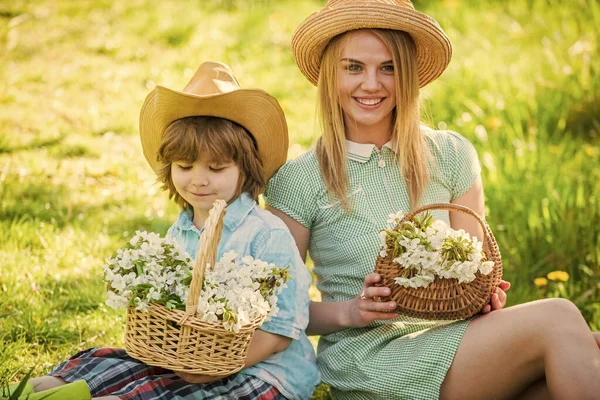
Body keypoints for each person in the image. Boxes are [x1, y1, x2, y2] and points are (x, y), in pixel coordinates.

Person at [264, 1, 600, 399]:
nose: (371, 84)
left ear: (407, 75)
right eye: (353, 67)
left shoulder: (452, 155)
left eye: (388, 68)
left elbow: (477, 270)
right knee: (559, 318)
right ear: (329, 75)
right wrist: (349, 311)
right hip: (372, 358)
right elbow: (276, 311)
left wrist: (482, 295)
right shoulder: (300, 179)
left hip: (458, 339)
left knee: (582, 350)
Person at [19, 61, 319, 400]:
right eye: (185, 166)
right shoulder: (181, 231)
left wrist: (209, 369)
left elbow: (280, 331)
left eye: (216, 167)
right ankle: (34, 392)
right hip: (187, 361)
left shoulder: (266, 234)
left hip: (265, 372)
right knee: (105, 366)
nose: (198, 179)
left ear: (245, 169)